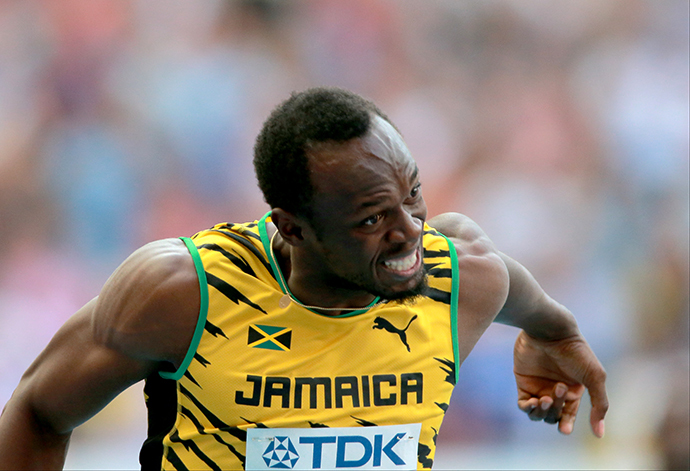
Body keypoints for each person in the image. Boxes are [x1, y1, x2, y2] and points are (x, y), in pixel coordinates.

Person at [0, 87, 608, 471]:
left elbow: (520, 294)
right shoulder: (184, 291)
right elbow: (37, 411)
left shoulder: (461, 282)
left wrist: (555, 331)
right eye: (372, 217)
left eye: (412, 195)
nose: (410, 232)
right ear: (292, 228)